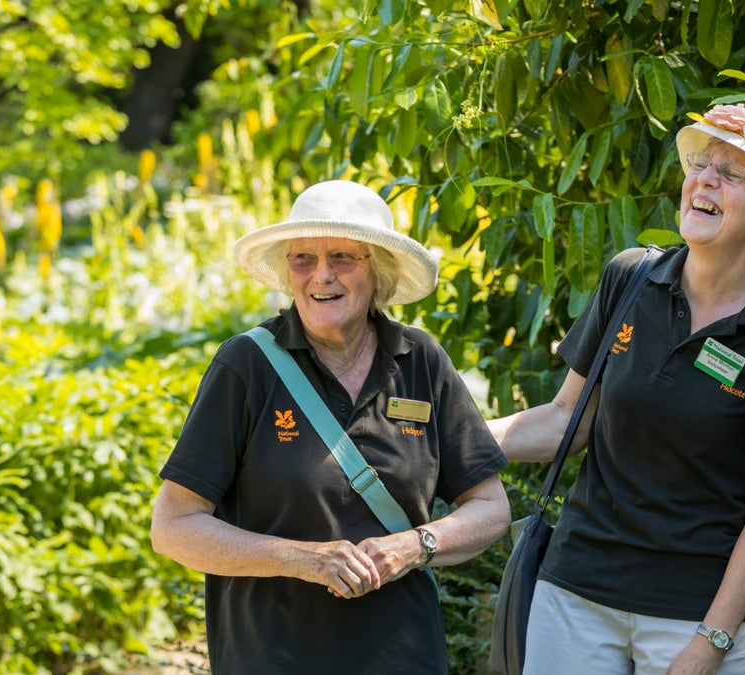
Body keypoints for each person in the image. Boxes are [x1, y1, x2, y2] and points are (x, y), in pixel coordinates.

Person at [488, 104, 745, 674]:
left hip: (692, 616)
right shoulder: (630, 278)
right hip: (574, 595)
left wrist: (711, 642)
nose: (705, 179)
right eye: (701, 164)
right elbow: (565, 419)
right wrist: (452, 440)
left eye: (732, 173)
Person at [151, 180, 510, 674]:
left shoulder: (420, 359)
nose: (322, 275)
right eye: (304, 258)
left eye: (343, 256)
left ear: (379, 270)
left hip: (404, 656)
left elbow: (490, 507)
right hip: (272, 659)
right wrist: (303, 559)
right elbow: (174, 527)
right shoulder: (247, 365)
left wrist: (415, 546)